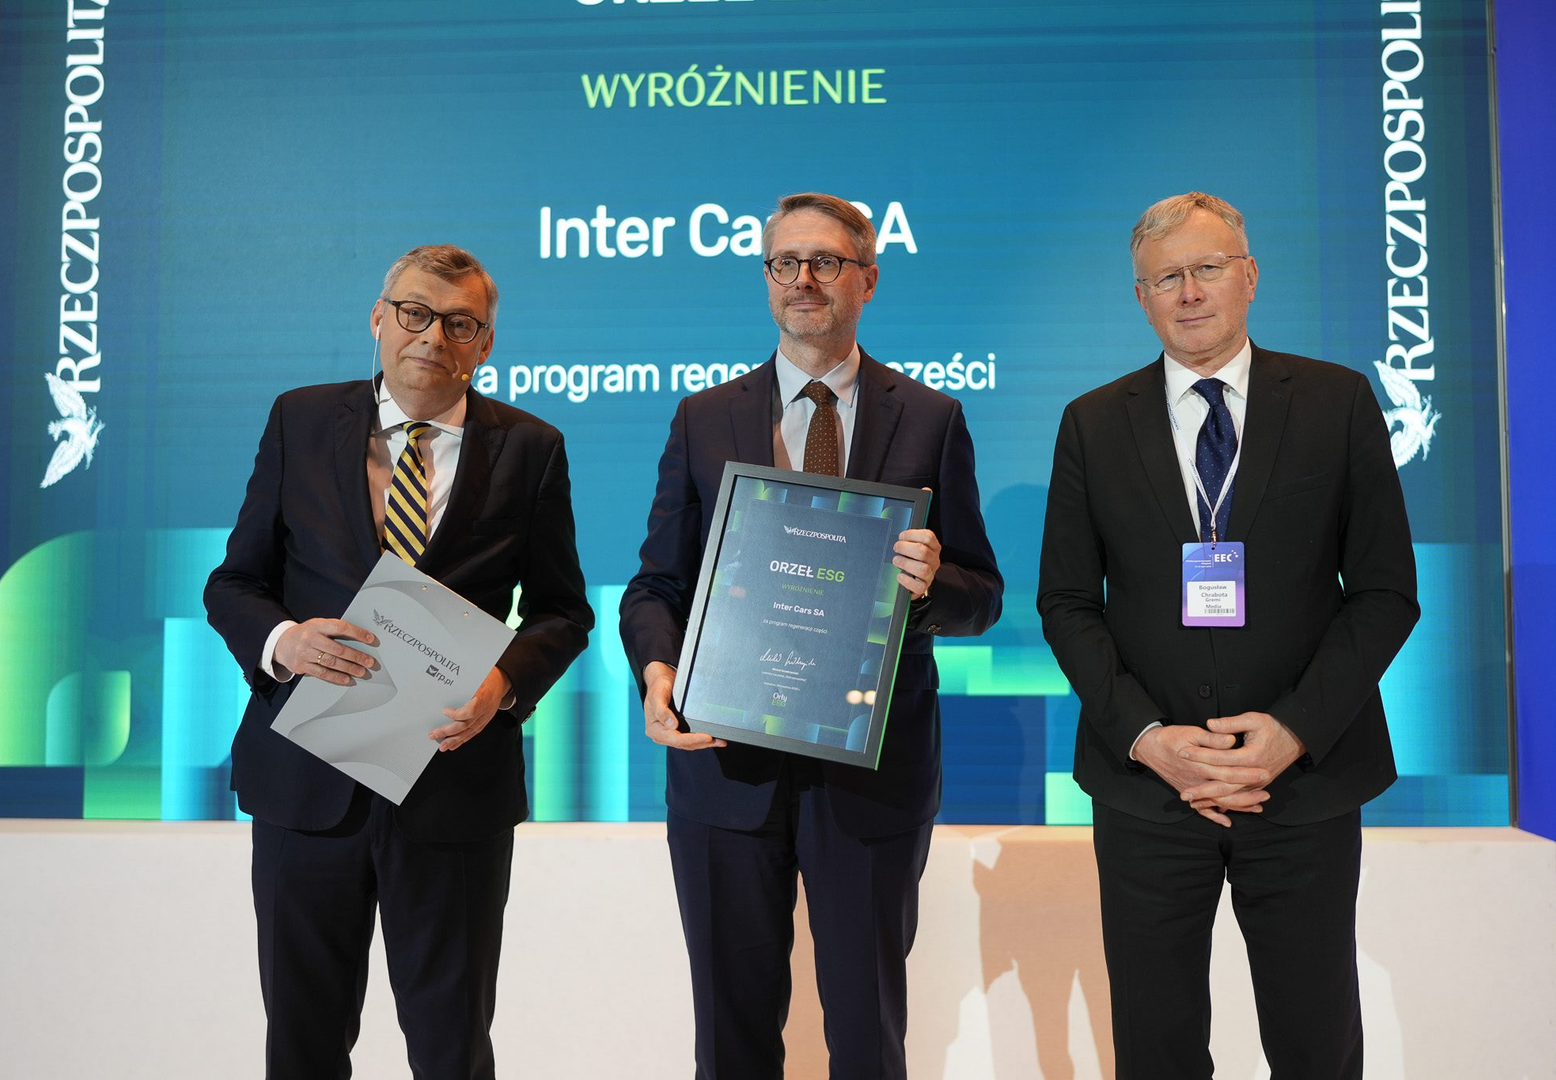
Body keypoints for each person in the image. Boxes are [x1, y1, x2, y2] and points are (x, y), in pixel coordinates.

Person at [1036, 191, 1420, 1079]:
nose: (1189, 292)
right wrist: (1147, 739)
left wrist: (1291, 733)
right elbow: (1067, 602)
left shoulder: (1336, 401)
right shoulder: (1092, 421)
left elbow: (1385, 594)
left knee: (1316, 1046)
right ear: (1141, 297)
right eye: (1165, 277)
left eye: (1207, 268)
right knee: (1156, 1051)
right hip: (1149, 793)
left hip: (1303, 786)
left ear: (1249, 276)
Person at [620, 192, 1003, 1079]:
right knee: (731, 1042)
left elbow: (980, 597)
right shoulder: (703, 417)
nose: (803, 279)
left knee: (867, 1040)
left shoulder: (932, 418)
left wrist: (930, 585)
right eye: (784, 262)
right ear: (767, 280)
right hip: (725, 769)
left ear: (867, 279)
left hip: (870, 776)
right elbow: (656, 585)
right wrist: (657, 670)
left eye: (826, 261)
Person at [203, 244, 593, 1079]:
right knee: (302, 1046)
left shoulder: (531, 447)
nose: (432, 337)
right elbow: (234, 584)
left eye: (460, 323)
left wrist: (505, 684)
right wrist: (284, 642)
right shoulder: (300, 420)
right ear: (378, 319)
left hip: (453, 787)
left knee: (452, 1049)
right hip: (307, 781)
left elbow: (563, 612)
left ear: (485, 343)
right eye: (415, 313)